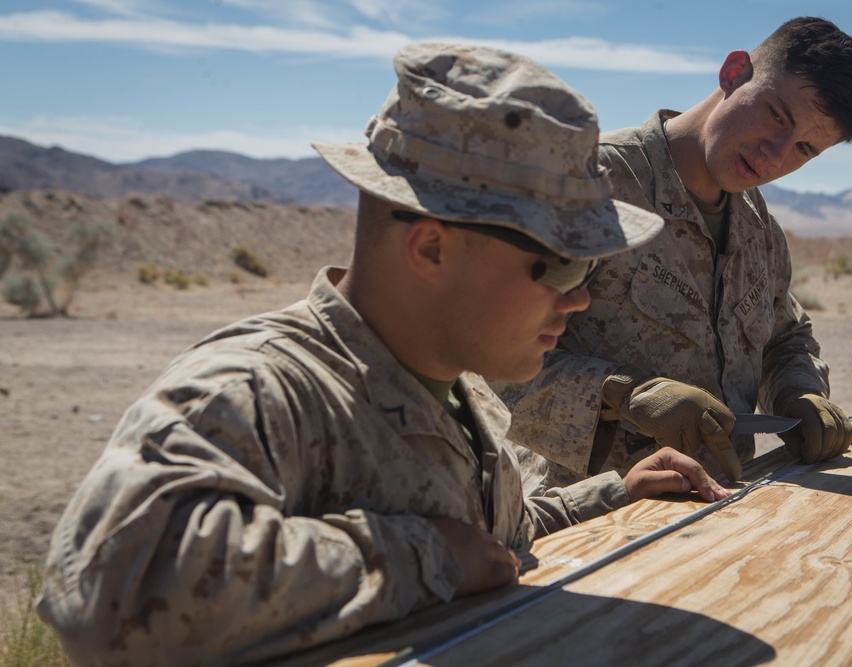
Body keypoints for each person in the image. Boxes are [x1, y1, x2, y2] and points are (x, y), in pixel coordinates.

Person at [35, 43, 729, 666]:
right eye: (564, 266)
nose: (579, 300)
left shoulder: (458, 391)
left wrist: (615, 491)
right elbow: (111, 592)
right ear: (430, 247)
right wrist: (420, 559)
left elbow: (484, 544)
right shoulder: (264, 388)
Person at [497, 17, 852, 493]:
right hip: (588, 521)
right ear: (734, 73)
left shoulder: (759, 230)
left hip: (721, 510)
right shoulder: (589, 187)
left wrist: (796, 392)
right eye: (776, 114)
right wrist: (623, 395)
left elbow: (784, 338)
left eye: (803, 148)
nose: (776, 155)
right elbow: (488, 364)